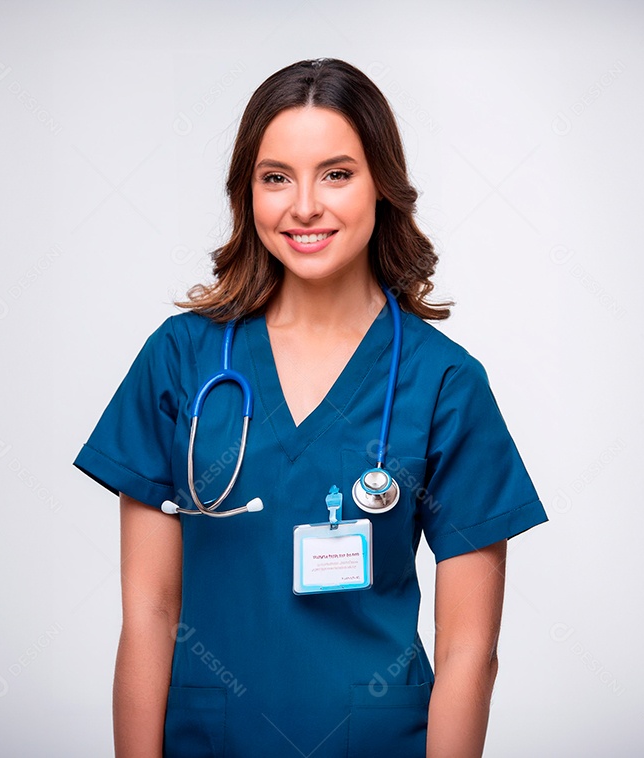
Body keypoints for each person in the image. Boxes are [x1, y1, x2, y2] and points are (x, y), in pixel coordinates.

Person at [74, 58, 548, 758]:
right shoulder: (181, 359)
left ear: (381, 186)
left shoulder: (445, 382)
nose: (304, 206)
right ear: (248, 193)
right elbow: (149, 612)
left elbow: (468, 651)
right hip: (210, 739)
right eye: (275, 178)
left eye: (336, 173)